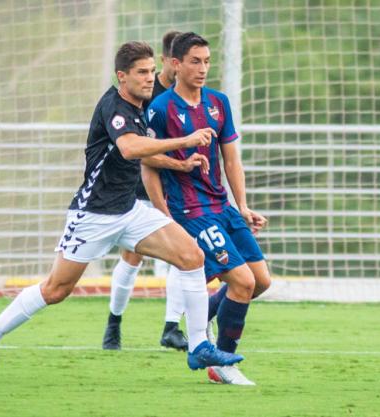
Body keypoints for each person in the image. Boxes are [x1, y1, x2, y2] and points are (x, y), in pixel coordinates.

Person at [0, 41, 244, 382]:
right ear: (122, 76)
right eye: (141, 73)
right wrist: (184, 141)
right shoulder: (115, 106)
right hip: (94, 215)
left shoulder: (143, 102)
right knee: (56, 290)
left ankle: (199, 344)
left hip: (129, 211)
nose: (149, 78)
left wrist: (180, 163)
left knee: (191, 255)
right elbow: (130, 148)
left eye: (150, 72)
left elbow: (145, 154)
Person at [142, 32, 272, 386]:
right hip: (191, 211)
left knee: (260, 282)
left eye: (207, 61)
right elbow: (147, 163)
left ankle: (199, 319)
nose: (203, 69)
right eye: (195, 61)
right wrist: (163, 214)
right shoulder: (160, 108)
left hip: (222, 205)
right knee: (242, 282)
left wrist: (242, 206)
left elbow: (231, 160)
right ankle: (221, 363)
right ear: (175, 64)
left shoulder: (218, 102)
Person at [102, 31, 197, 352]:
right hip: (139, 186)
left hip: (176, 188)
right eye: (185, 62)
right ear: (171, 61)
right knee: (132, 259)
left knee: (184, 253)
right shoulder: (144, 93)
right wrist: (180, 161)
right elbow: (139, 150)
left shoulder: (189, 94)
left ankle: (172, 326)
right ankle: (114, 323)